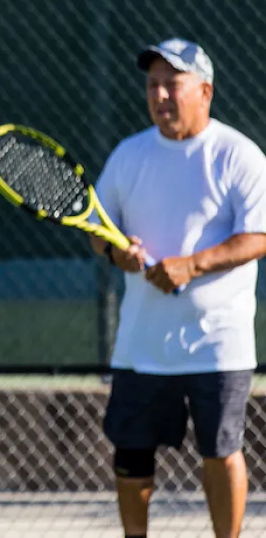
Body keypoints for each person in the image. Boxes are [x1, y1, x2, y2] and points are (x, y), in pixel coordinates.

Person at [89, 38, 266, 538]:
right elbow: (98, 232)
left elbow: (259, 235)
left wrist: (193, 264)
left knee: (221, 449)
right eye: (153, 85)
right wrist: (114, 251)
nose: (160, 95)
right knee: (131, 457)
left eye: (173, 84)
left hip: (218, 346)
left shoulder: (239, 156)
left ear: (205, 91)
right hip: (142, 346)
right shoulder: (129, 156)